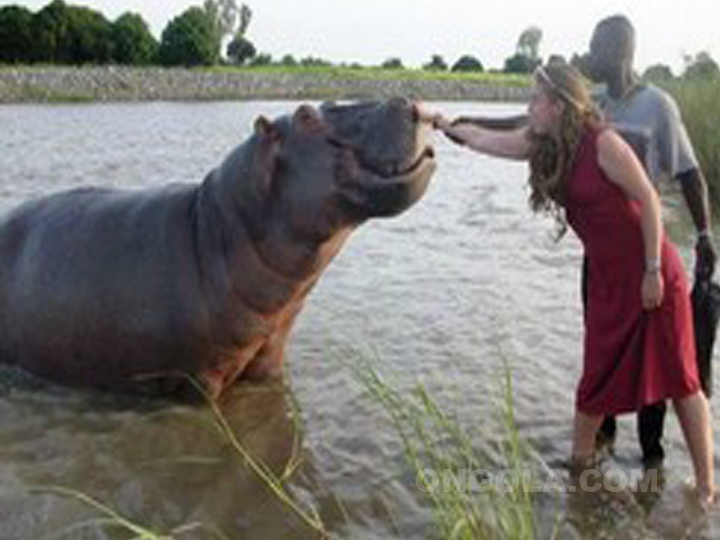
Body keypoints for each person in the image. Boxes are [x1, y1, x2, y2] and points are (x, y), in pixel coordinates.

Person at [415, 62, 715, 506]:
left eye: (535, 99)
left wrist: (652, 270)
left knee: (682, 380)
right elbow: (485, 139)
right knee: (595, 378)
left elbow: (651, 200)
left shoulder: (604, 144)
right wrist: (437, 121)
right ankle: (580, 471)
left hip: (653, 277)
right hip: (609, 281)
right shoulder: (546, 146)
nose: (528, 107)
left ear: (557, 106)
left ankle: (706, 487)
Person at [587, 14, 717, 467]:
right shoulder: (593, 104)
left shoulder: (658, 106)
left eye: (596, 46)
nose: (589, 53)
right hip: (600, 261)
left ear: (620, 53)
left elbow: (690, 174)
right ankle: (601, 452)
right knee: (601, 352)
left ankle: (651, 460)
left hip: (645, 259)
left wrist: (703, 235)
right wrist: (460, 126)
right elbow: (531, 127)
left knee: (653, 362)